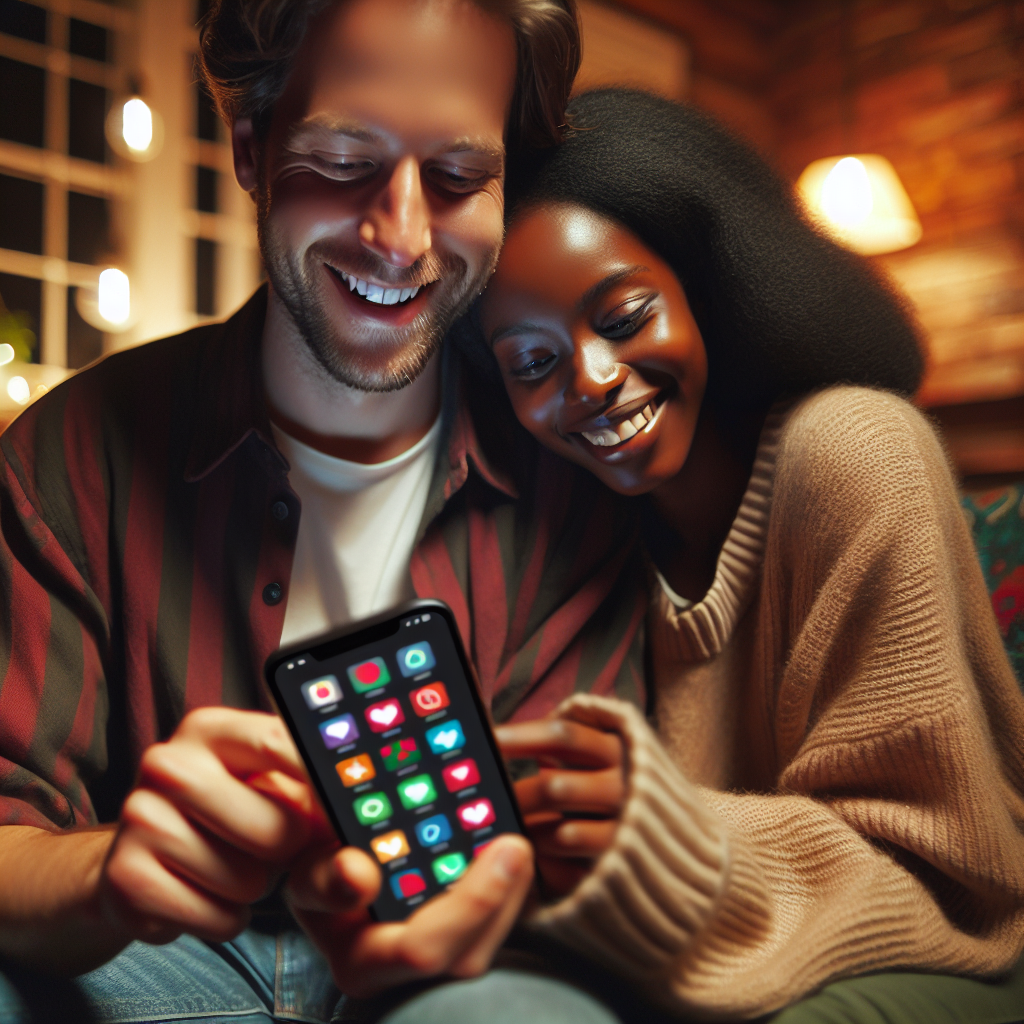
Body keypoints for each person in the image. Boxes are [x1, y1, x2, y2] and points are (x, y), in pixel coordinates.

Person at [0, 5, 649, 1022]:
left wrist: (509, 902)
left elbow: (574, 859)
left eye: (458, 177)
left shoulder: (573, 483)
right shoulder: (73, 451)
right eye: (344, 161)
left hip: (465, 979)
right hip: (163, 959)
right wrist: (108, 874)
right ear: (250, 149)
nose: (401, 239)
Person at [478, 89, 1024, 1022]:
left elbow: (952, 869)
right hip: (699, 954)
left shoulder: (854, 449)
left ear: (707, 283)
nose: (590, 381)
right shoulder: (587, 537)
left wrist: (669, 835)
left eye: (622, 317)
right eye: (531, 364)